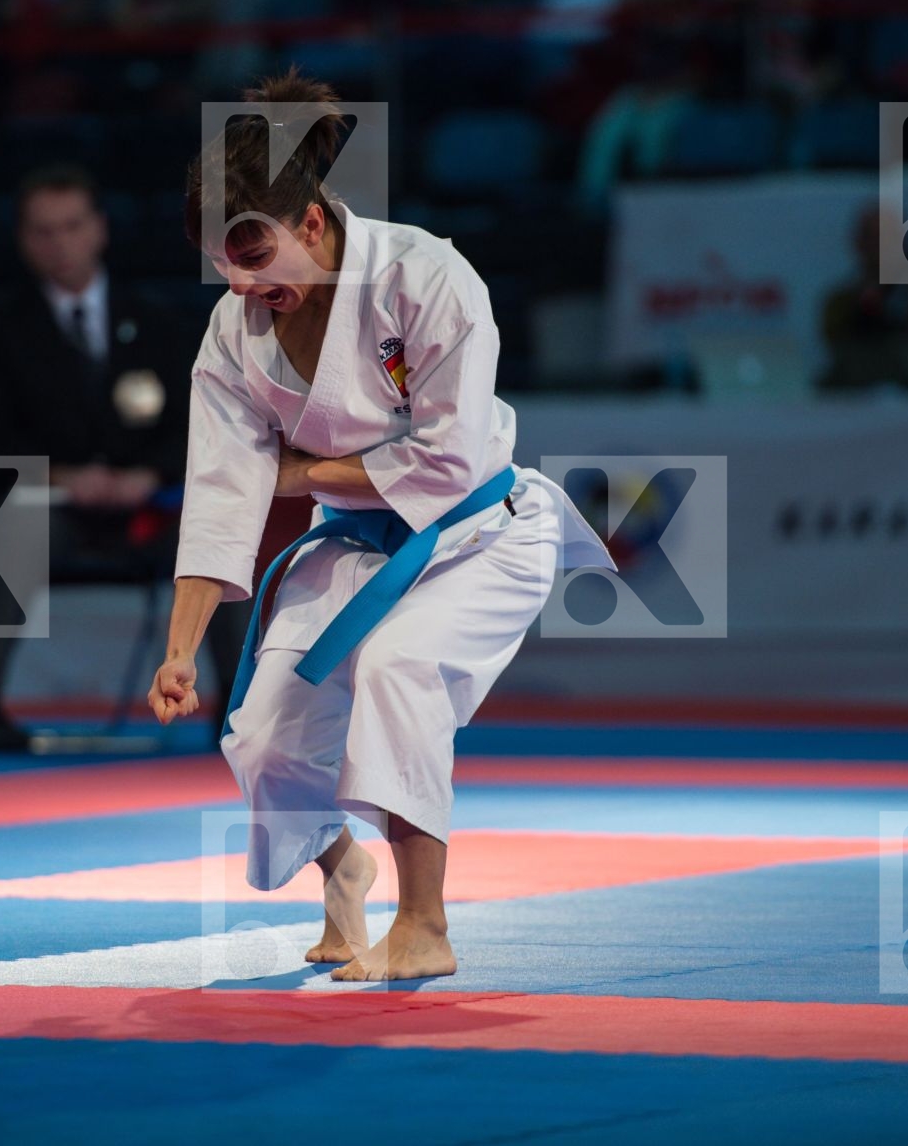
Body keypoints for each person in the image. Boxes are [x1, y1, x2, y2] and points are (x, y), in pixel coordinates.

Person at [148, 71, 614, 982]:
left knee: (402, 670)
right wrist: (178, 650)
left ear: (313, 223)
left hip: (479, 536)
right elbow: (219, 493)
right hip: (357, 543)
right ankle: (343, 865)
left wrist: (300, 472)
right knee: (266, 737)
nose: (244, 284)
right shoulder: (232, 331)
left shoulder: (426, 277)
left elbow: (448, 460)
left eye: (257, 256)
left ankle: (426, 922)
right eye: (225, 266)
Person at [0, 163, 246, 750]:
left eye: (71, 226)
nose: (59, 242)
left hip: (149, 509)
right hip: (53, 507)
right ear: (23, 239)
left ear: (99, 229)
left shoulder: (161, 322)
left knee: (222, 531)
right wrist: (65, 476)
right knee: (18, 524)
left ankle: (239, 708)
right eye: (43, 230)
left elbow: (205, 424)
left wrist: (147, 475)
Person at [818, 203, 908, 390]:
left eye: (890, 237)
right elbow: (833, 341)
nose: (881, 247)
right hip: (854, 398)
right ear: (859, 244)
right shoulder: (841, 300)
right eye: (874, 238)